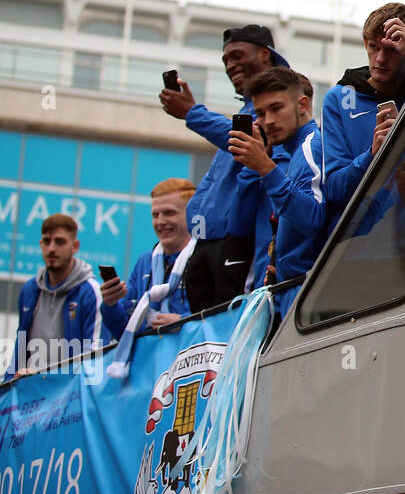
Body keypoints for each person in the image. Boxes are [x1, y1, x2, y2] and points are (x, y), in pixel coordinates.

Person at [158, 24, 290, 310]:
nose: (230, 65)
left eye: (238, 55)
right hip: (208, 243)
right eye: (226, 60)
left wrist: (193, 113)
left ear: (265, 55)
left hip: (240, 247)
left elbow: (250, 137)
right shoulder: (244, 110)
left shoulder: (278, 104)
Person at [228, 67, 327, 318]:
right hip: (290, 292)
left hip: (308, 297)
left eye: (276, 108)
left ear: (302, 105)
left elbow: (313, 219)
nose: (267, 120)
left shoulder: (312, 146)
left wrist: (264, 166)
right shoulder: (292, 152)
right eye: (260, 113)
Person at [322, 3, 405, 213]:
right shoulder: (339, 98)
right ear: (364, 43)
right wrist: (372, 155)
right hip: (360, 240)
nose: (380, 59)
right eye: (373, 46)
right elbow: (335, 191)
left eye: (391, 49)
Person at [100, 179, 197, 340]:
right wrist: (110, 305)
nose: (160, 222)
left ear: (191, 214)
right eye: (155, 215)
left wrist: (184, 322)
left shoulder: (204, 257)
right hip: (147, 363)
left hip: (187, 360)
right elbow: (124, 330)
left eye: (169, 213)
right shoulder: (145, 261)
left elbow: (218, 320)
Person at [7, 214, 102, 377]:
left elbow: (93, 360)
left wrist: (45, 378)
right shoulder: (30, 289)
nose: (51, 248)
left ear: (75, 246)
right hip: (34, 395)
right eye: (46, 241)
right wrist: (10, 382)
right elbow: (20, 348)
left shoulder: (90, 292)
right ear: (40, 244)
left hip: (72, 395)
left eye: (60, 242)